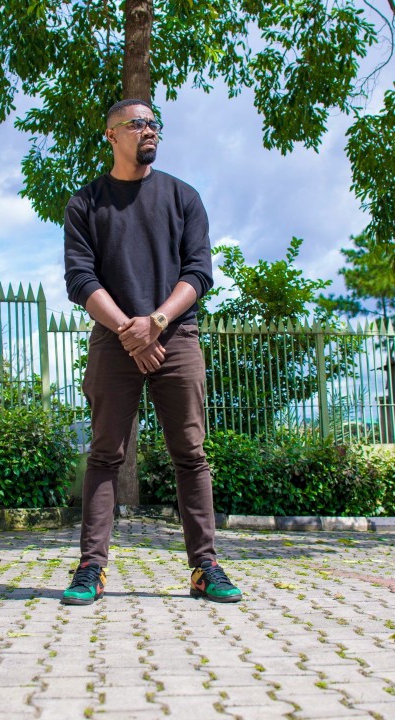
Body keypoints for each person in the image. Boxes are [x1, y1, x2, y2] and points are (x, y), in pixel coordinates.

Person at [62, 98, 242, 606]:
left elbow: (199, 272)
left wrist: (157, 322)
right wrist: (127, 330)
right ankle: (91, 569)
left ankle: (205, 567)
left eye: (154, 124)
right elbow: (80, 279)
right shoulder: (86, 204)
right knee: (104, 455)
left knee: (191, 454)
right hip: (113, 339)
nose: (150, 131)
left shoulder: (184, 197)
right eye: (138, 124)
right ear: (111, 135)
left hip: (177, 337)